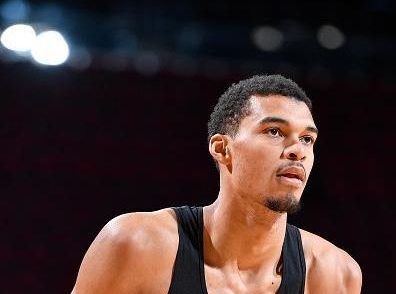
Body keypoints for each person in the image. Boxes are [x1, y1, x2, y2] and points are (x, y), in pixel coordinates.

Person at [71, 75, 362, 294]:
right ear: (222, 148)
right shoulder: (137, 245)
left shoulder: (334, 275)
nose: (297, 150)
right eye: (274, 131)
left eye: (307, 139)